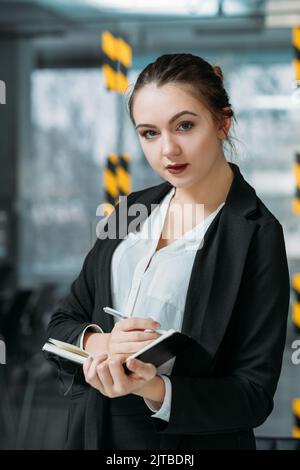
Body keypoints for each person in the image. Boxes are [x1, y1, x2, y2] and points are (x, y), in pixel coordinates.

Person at [45, 53, 290, 450]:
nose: (168, 150)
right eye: (150, 133)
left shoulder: (257, 234)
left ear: (222, 122)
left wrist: (156, 387)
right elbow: (64, 320)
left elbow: (252, 394)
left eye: (185, 126)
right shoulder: (130, 210)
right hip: (94, 430)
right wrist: (100, 343)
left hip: (185, 443)